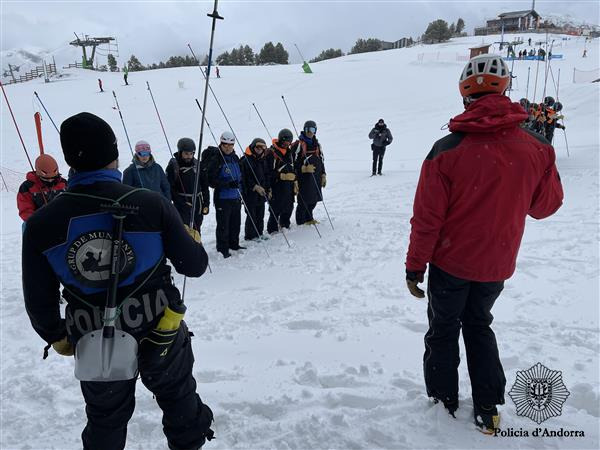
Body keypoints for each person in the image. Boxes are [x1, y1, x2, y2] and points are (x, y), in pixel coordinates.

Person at [22, 112, 214, 450]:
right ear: (114, 154)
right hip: (160, 330)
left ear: (69, 159)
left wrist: (56, 334)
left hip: (94, 337)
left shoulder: (42, 224)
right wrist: (189, 238)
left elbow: (39, 300)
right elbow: (194, 265)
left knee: (105, 421)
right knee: (180, 402)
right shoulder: (150, 204)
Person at [405, 54, 563, 434]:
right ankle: (488, 406)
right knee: (479, 325)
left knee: (444, 327)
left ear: (465, 97)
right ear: (506, 88)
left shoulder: (446, 149)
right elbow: (546, 206)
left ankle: (443, 399)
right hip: (497, 261)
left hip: (450, 262)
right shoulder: (536, 146)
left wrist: (415, 267)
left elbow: (427, 219)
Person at [206, 131, 244, 258]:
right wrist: (227, 184)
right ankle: (222, 248)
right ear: (221, 144)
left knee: (235, 223)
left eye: (230, 144)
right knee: (223, 225)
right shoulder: (216, 159)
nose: (227, 147)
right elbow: (210, 180)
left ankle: (234, 244)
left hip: (235, 196)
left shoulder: (235, 157)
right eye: (225, 144)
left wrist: (241, 192)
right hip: (223, 198)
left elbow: (240, 177)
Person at [166, 138, 210, 237]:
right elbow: (170, 188)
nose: (189, 157)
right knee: (184, 231)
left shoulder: (198, 165)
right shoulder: (174, 167)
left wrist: (206, 203)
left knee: (197, 229)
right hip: (182, 205)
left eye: (191, 154)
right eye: (186, 154)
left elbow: (204, 185)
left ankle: (197, 249)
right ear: (180, 152)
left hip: (197, 203)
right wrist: (182, 202)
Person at [292, 120, 326, 225]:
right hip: (304, 177)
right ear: (304, 129)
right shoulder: (299, 145)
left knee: (313, 200)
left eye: (312, 129)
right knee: (304, 200)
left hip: (316, 176)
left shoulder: (317, 144)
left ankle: (309, 218)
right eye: (308, 129)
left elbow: (321, 160)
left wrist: (323, 174)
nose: (310, 132)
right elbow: (293, 162)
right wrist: (304, 169)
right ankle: (301, 221)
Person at [17, 154, 67, 222]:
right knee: (26, 226)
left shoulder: (64, 183)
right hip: (39, 223)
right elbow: (25, 210)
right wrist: (39, 221)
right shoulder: (27, 187)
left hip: (63, 221)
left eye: (53, 178)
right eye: (46, 179)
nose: (50, 180)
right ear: (38, 174)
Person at [266, 128, 296, 234]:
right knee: (275, 209)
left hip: (288, 186)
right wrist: (281, 176)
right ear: (280, 139)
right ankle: (272, 229)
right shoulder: (272, 153)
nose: (287, 143)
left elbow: (293, 168)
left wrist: (295, 180)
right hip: (276, 186)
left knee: (289, 207)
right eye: (285, 141)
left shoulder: (289, 153)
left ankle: (285, 224)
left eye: (289, 141)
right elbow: (268, 172)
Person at [240, 138, 270, 241]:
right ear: (253, 147)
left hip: (261, 192)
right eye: (258, 147)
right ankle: (250, 236)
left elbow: (266, 176)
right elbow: (244, 178)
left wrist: (268, 188)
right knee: (251, 215)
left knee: (260, 214)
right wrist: (254, 186)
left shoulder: (263, 160)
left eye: (263, 147)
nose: (260, 149)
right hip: (250, 193)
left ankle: (259, 233)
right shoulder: (245, 160)